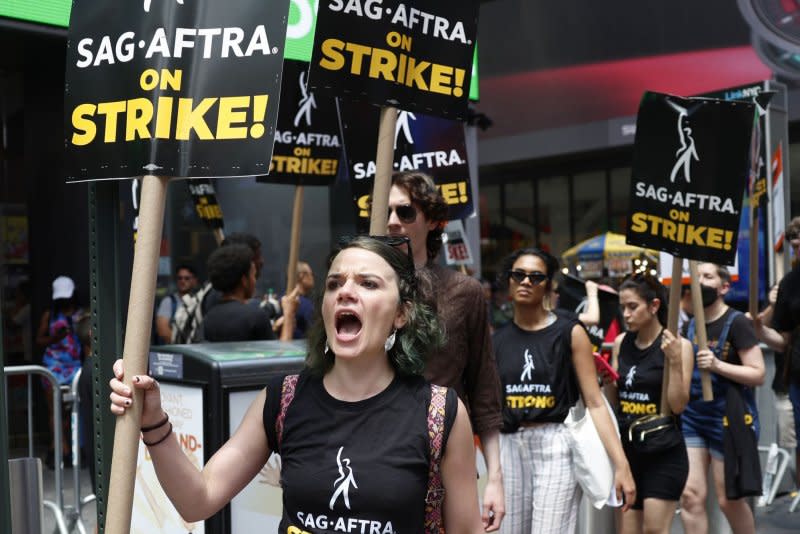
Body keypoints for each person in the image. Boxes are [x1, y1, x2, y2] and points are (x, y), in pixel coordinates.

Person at [109, 236, 487, 532]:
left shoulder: (440, 414)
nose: (346, 291)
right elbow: (198, 499)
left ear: (401, 315)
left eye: (368, 283)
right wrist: (153, 421)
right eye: (335, 283)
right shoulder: (283, 398)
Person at [386, 171, 505, 529]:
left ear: (434, 222)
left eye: (405, 212)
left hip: (445, 454)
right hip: (377, 449)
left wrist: (496, 478)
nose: (392, 221)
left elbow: (483, 386)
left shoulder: (463, 292)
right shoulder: (363, 287)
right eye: (386, 211)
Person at [492, 247, 635, 533]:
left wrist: (622, 465)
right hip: (510, 445)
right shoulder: (498, 339)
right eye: (518, 275)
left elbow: (594, 402)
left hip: (556, 443)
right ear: (509, 281)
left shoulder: (570, 331)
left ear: (548, 285)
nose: (526, 282)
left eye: (536, 277)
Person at [680, 263, 765, 534]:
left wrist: (717, 366)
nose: (700, 281)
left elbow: (758, 373)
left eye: (708, 276)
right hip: (693, 417)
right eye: (697, 276)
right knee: (690, 496)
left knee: (729, 499)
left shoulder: (737, 322)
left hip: (727, 418)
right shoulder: (692, 323)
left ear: (724, 287)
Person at [608, 274, 693, 534]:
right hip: (629, 452)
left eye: (633, 307)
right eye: (623, 307)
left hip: (663, 451)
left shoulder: (678, 346)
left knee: (655, 530)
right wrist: (605, 380)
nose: (626, 314)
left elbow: (678, 405)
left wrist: (676, 361)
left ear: (654, 306)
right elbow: (615, 402)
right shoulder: (621, 343)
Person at [758, 216, 800, 487]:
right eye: (795, 247)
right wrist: (758, 329)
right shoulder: (790, 283)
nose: (797, 252)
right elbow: (783, 339)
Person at [36, 275, 83, 467]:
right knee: (54, 409)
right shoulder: (50, 314)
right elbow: (39, 340)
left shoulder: (82, 314)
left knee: (75, 409)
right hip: (53, 366)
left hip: (75, 367)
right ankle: (61, 449)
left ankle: (75, 449)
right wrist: (55, 338)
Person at [201, 244, 279, 342]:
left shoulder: (209, 317)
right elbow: (278, 355)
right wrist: (289, 317)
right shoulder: (255, 316)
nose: (255, 281)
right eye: (253, 276)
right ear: (244, 281)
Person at [155, 264, 199, 344]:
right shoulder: (168, 301)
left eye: (187, 278)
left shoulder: (199, 301)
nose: (183, 281)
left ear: (195, 280)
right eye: (179, 278)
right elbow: (162, 330)